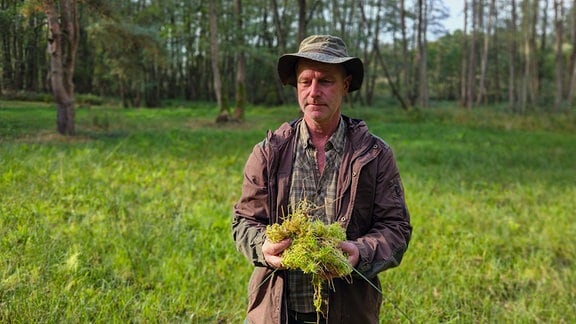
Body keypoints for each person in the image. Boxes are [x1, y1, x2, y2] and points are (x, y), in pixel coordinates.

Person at [232, 35, 412, 324]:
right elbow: (244, 222)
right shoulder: (269, 152)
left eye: (326, 81)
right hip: (276, 313)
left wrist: (359, 253)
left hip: (349, 313)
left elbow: (396, 228)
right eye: (306, 81)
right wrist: (263, 246)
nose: (314, 92)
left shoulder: (374, 155)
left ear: (346, 85)